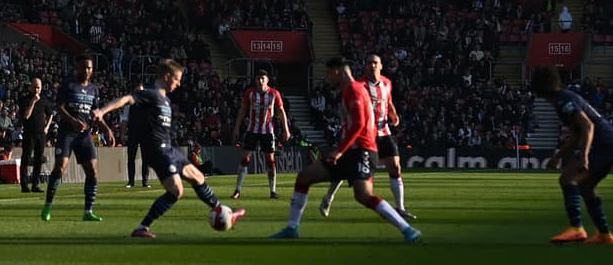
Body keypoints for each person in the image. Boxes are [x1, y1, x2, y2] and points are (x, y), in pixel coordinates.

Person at [270, 57, 420, 243]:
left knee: (364, 196)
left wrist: (339, 151)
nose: (327, 78)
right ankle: (292, 228)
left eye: (328, 74)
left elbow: (358, 125)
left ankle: (407, 229)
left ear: (337, 72)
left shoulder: (354, 91)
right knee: (304, 177)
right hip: (352, 151)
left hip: (362, 151)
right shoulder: (352, 89)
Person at [94, 58, 243, 239]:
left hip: (170, 149)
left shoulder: (164, 100)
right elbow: (127, 99)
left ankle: (222, 211)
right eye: (177, 79)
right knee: (176, 190)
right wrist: (102, 111)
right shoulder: (151, 94)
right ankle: (142, 227)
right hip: (157, 151)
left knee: (198, 176)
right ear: (166, 76)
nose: (179, 83)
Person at [529, 65, 613, 245]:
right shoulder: (564, 99)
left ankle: (577, 228)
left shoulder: (563, 100)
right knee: (585, 188)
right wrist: (558, 156)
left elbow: (588, 126)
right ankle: (604, 235)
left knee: (567, 179)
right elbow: (576, 136)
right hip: (612, 142)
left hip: (604, 143)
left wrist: (585, 156)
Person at [320, 54, 415, 219]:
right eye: (369, 63)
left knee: (395, 167)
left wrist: (394, 115)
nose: (372, 65)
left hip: (384, 132)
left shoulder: (387, 83)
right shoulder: (359, 86)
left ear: (381, 66)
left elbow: (389, 101)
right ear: (365, 66)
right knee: (345, 169)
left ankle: (400, 208)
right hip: (363, 135)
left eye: (375, 62)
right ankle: (329, 196)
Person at [41, 55, 110, 222]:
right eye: (84, 67)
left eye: (90, 68)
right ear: (77, 67)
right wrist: (73, 120)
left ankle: (88, 211)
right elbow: (59, 107)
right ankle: (48, 206)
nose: (87, 71)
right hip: (67, 133)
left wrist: (107, 129)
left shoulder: (94, 89)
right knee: (60, 168)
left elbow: (96, 113)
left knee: (92, 171)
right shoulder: (68, 85)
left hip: (84, 135)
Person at [230, 69, 290, 199]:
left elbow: (281, 111)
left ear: (267, 80)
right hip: (252, 130)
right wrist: (236, 127)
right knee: (245, 159)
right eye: (258, 78)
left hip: (268, 131)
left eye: (263, 78)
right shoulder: (250, 93)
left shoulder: (274, 94)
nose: (260, 80)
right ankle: (237, 190)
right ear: (255, 80)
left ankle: (273, 191)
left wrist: (286, 129)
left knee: (270, 161)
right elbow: (243, 110)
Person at [20, 77, 51, 194]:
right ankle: (24, 185)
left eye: (38, 87)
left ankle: (35, 184)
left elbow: (50, 114)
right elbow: (26, 116)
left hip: (41, 134)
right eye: (35, 87)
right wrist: (33, 101)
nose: (37, 89)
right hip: (29, 133)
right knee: (26, 158)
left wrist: (47, 127)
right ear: (30, 87)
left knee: (38, 159)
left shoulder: (44, 100)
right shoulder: (25, 99)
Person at [121, 81, 150, 189]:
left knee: (146, 158)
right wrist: (123, 133)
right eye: (138, 90)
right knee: (131, 157)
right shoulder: (130, 102)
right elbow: (124, 119)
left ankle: (145, 181)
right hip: (133, 132)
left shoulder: (148, 103)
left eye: (142, 91)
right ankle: (131, 181)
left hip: (145, 132)